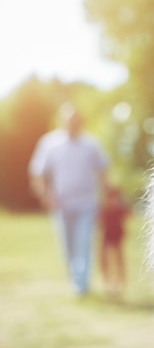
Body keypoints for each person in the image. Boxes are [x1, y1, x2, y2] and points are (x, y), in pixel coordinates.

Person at [29, 103, 109, 295]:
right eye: (69, 120)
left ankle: (81, 284)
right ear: (62, 121)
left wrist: (106, 197)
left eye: (75, 120)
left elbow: (103, 170)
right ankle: (75, 278)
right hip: (61, 204)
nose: (72, 123)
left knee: (84, 242)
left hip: (87, 203)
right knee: (68, 245)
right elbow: (37, 172)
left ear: (80, 121)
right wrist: (44, 194)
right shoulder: (49, 143)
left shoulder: (91, 144)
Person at [99, 185, 129, 295]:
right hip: (106, 236)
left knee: (118, 257)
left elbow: (128, 214)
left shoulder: (120, 209)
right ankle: (106, 277)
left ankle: (121, 277)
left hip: (117, 236)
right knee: (104, 256)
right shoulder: (104, 209)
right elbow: (99, 221)